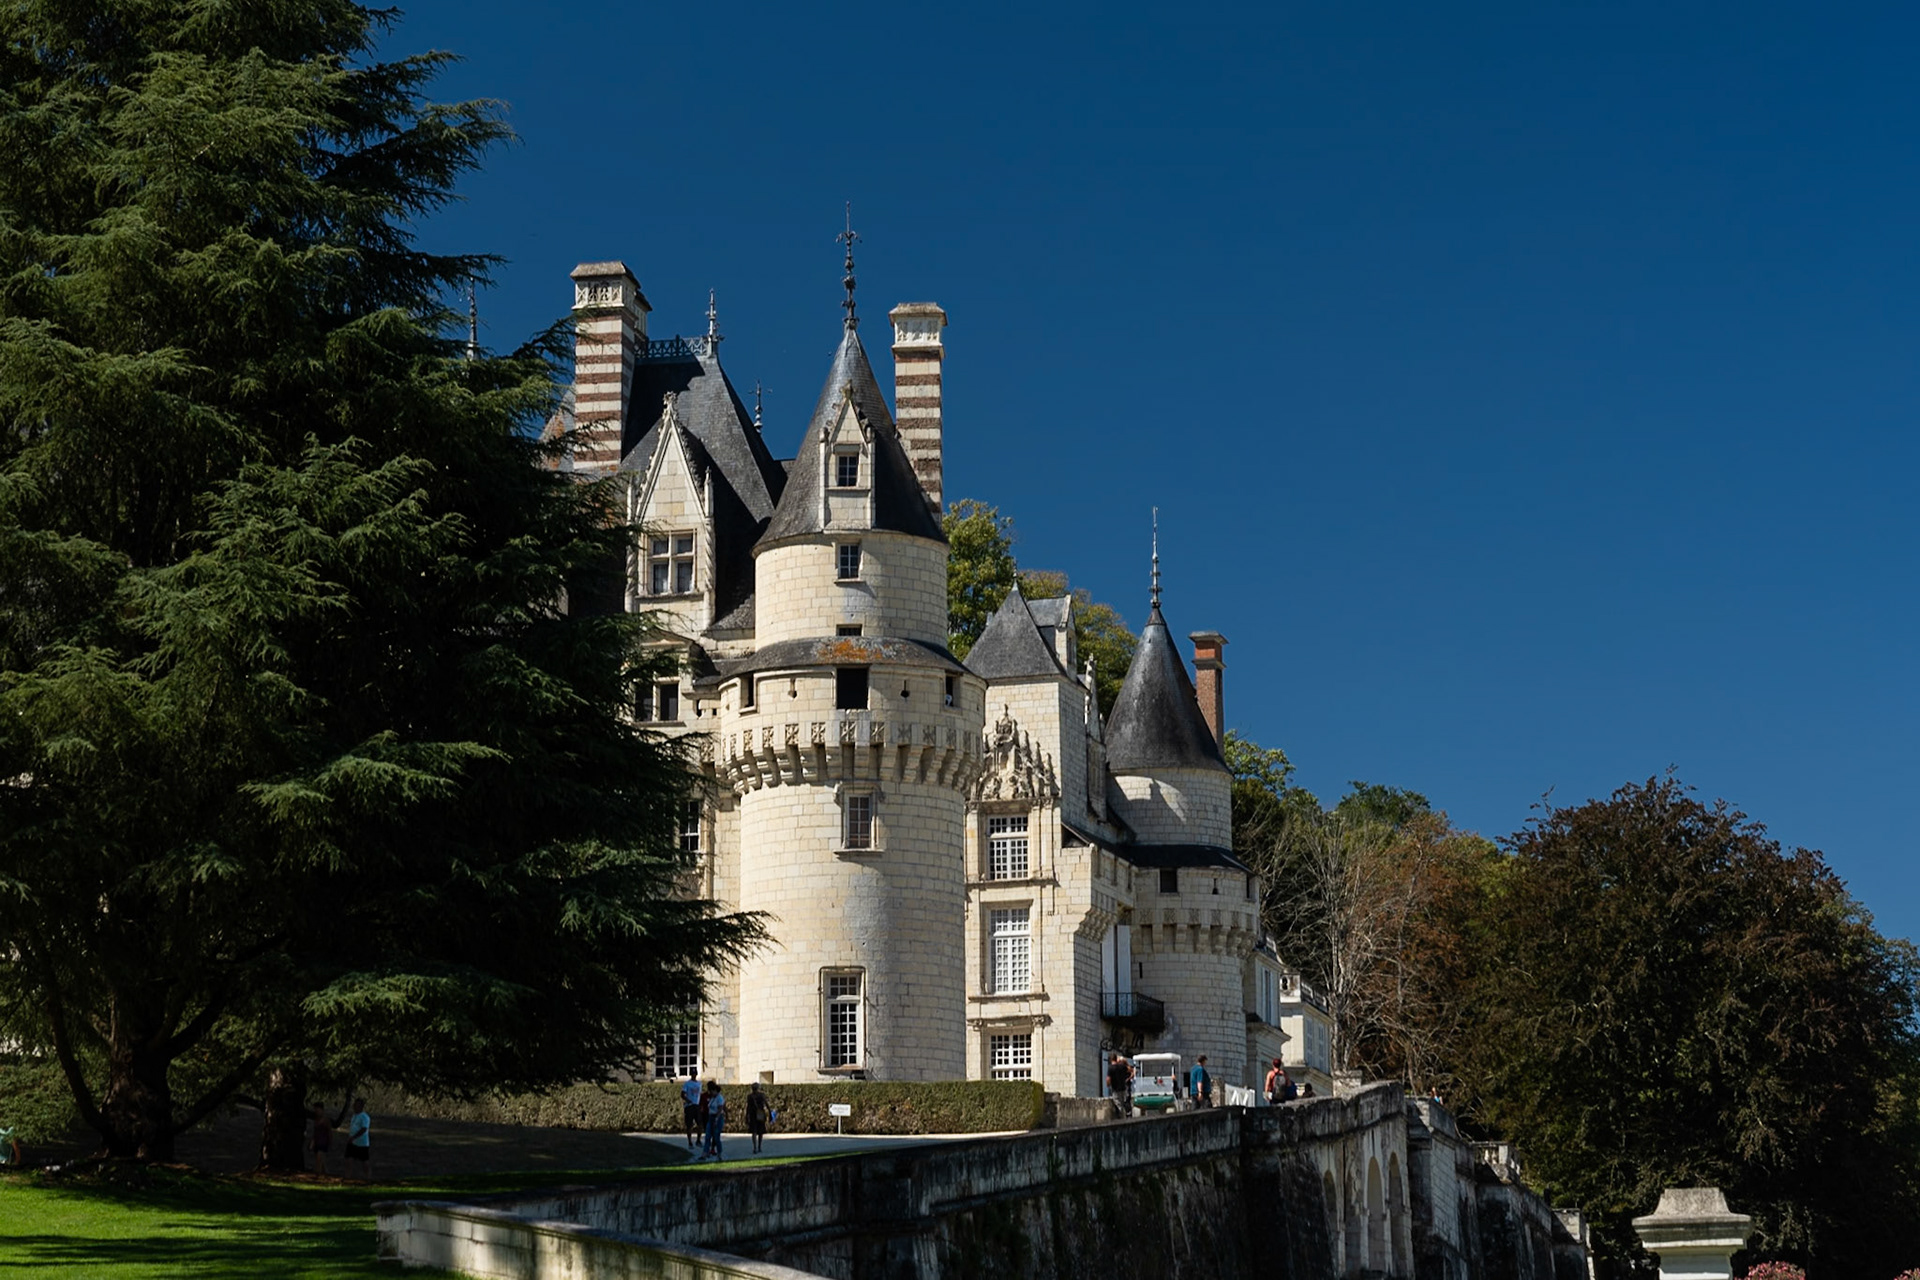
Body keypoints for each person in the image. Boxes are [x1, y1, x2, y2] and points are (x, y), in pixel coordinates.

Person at [344, 1097, 373, 1179]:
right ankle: (347, 1177)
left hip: (362, 1143)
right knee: (348, 1159)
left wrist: (354, 1137)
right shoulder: (354, 1116)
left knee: (365, 1162)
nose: (354, 1107)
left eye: (356, 1105)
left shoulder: (364, 1117)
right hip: (352, 1142)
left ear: (361, 1106)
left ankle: (368, 1177)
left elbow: (364, 1129)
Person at [702, 1081, 727, 1160]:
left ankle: (719, 1153)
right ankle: (705, 1153)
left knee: (716, 1136)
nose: (711, 1093)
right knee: (708, 1135)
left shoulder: (719, 1098)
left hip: (717, 1118)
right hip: (710, 1117)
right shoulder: (712, 1098)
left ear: (715, 1090)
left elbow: (720, 1109)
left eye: (712, 1091)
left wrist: (716, 1118)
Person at [745, 1082, 771, 1154]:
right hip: (760, 1114)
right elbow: (766, 1104)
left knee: (754, 1131)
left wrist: (746, 1116)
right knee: (760, 1132)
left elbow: (748, 1107)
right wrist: (769, 1113)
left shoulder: (749, 1096)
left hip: (752, 1114)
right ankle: (759, 1147)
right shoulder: (761, 1095)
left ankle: (754, 1147)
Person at [309, 1103, 334, 1175]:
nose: (317, 1112)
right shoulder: (316, 1120)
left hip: (323, 1142)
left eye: (318, 1110)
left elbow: (329, 1132)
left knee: (319, 1159)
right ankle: (326, 1174)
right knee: (322, 1161)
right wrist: (312, 1142)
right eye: (315, 1110)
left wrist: (330, 1142)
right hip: (317, 1142)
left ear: (322, 1110)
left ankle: (317, 1174)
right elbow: (315, 1133)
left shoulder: (326, 1120)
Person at [681, 1073, 704, 1149]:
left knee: (700, 1124)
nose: (694, 1075)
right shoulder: (687, 1084)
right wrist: (688, 1100)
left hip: (696, 1105)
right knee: (689, 1125)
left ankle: (698, 1140)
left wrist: (700, 1105)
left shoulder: (699, 1084)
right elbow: (682, 1094)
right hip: (689, 1106)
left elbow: (700, 1095)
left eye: (695, 1074)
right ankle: (690, 1142)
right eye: (692, 1074)